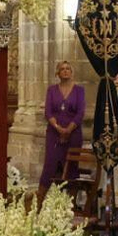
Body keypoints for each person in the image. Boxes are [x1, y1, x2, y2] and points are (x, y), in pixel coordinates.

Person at [39, 60, 85, 191]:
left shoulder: (79, 91)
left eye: (68, 69)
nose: (65, 71)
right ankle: (40, 202)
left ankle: (70, 204)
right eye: (62, 69)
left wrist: (68, 130)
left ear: (71, 72)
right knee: (50, 166)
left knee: (71, 168)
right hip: (54, 134)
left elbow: (80, 113)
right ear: (57, 73)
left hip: (73, 134)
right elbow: (48, 112)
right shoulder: (52, 90)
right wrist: (59, 128)